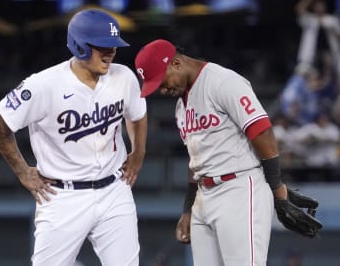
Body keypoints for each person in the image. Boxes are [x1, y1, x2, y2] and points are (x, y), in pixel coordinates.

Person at [134, 39, 319, 266]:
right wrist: (188, 209)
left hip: (238, 189)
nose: (163, 90)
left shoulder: (222, 82)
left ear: (175, 63)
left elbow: (262, 132)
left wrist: (277, 189)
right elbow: (196, 159)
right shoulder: (181, 106)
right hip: (203, 196)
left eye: (162, 82)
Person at [0, 9, 147, 266]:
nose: (111, 52)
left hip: (114, 190)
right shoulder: (43, 84)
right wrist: (22, 171)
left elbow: (137, 114)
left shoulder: (124, 77)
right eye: (102, 46)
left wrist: (138, 152)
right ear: (80, 46)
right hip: (63, 196)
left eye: (113, 46)